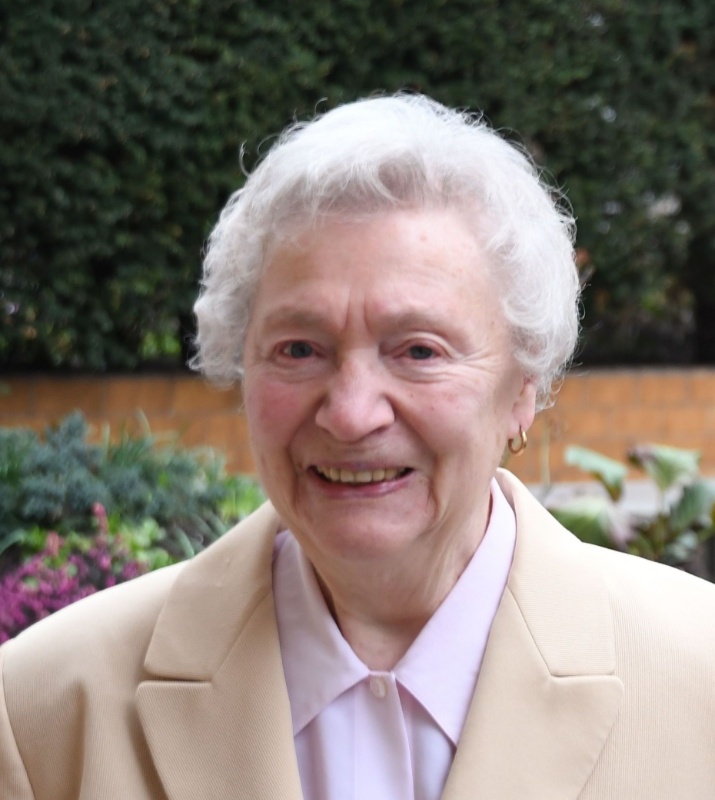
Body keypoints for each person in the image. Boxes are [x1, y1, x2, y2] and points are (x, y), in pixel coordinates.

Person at [1, 94, 714, 800]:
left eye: (418, 351)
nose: (349, 414)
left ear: (522, 386)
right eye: (299, 348)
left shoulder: (698, 679)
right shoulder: (44, 708)